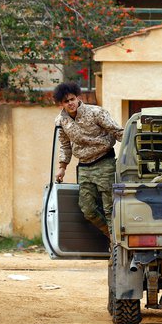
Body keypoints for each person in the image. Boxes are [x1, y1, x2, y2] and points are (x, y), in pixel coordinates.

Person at [53, 81, 123, 238]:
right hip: (84, 167)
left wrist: (133, 149)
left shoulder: (96, 113)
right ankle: (112, 238)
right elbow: (65, 145)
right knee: (87, 209)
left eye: (72, 99)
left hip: (105, 162)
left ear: (78, 97)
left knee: (109, 208)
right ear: (61, 104)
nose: (70, 103)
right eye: (66, 101)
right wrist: (62, 167)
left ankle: (116, 249)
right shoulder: (61, 121)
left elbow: (118, 132)